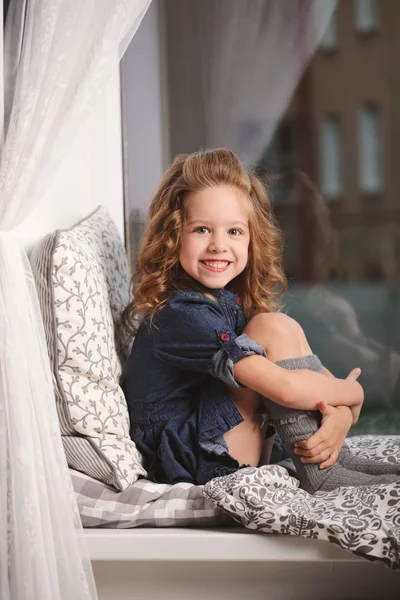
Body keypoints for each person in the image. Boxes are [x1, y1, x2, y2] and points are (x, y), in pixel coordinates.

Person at [122, 149, 399, 494]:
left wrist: (340, 416)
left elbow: (315, 383)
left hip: (222, 443)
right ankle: (323, 475)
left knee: (275, 326)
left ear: (252, 239)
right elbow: (288, 388)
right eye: (202, 229)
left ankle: (332, 462)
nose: (218, 245)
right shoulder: (180, 315)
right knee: (271, 327)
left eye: (234, 232)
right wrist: (353, 392)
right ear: (173, 235)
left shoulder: (227, 305)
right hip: (198, 462)